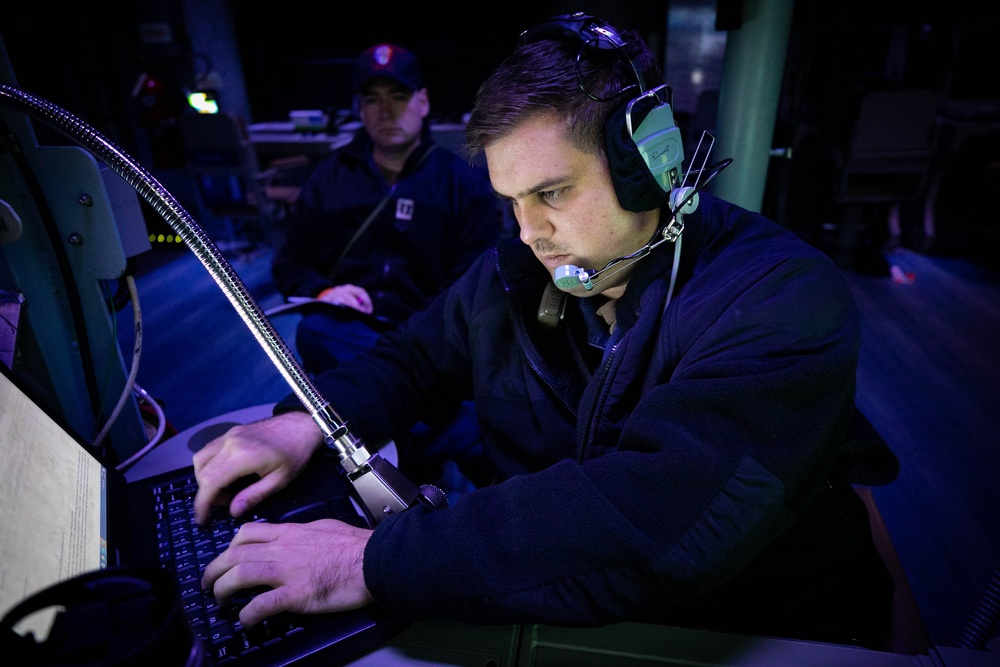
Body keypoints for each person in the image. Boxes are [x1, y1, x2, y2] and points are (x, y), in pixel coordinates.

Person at [194, 14, 895, 649]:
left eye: (553, 193)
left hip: (751, 632)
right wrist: (303, 424)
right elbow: (409, 358)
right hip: (563, 614)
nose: (530, 234)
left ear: (649, 165)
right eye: (513, 202)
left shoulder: (782, 297)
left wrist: (367, 560)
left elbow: (645, 519)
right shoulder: (513, 274)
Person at [271, 42, 503, 488]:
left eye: (398, 96)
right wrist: (324, 291)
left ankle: (409, 436)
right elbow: (290, 263)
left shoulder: (462, 182)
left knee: (472, 344)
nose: (386, 110)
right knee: (315, 328)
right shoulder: (329, 179)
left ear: (423, 101)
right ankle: (453, 434)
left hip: (432, 330)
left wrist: (432, 327)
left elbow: (479, 278)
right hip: (355, 329)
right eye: (372, 99)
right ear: (358, 108)